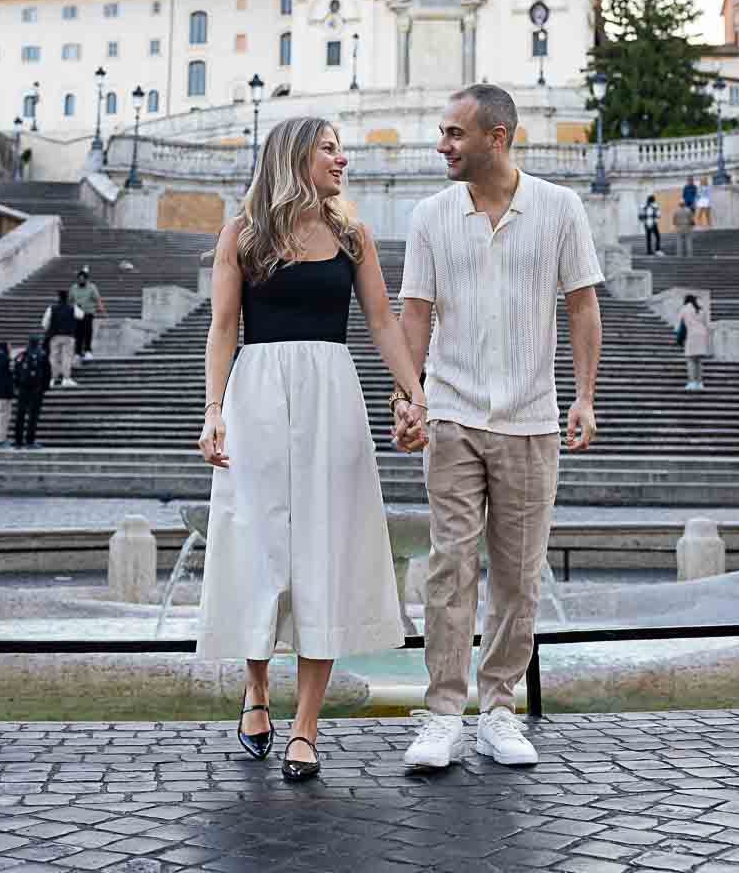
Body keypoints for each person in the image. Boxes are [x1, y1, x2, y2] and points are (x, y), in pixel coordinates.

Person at [196, 117, 427, 783]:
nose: (342, 158)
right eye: (329, 149)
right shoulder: (241, 234)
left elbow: (382, 320)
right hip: (257, 392)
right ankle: (258, 690)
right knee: (258, 546)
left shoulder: (353, 235)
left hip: (332, 394)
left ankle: (306, 725)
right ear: (294, 157)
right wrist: (213, 412)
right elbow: (221, 328)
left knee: (323, 551)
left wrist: (415, 393)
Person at [393, 84, 603, 771]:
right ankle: (443, 715)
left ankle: (500, 707)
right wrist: (408, 394)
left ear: (498, 136)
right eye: (442, 132)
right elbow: (415, 313)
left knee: (518, 574)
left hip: (532, 416)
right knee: (450, 565)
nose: (442, 145)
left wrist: (585, 397)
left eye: (454, 133)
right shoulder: (430, 215)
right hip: (452, 410)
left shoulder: (560, 208)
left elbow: (580, 307)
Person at [13, 335, 52, 448]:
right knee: (33, 415)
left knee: (20, 415)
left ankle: (18, 441)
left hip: (23, 389)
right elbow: (47, 373)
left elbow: (15, 372)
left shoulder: (21, 356)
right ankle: (30, 440)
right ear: (38, 343)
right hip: (37, 389)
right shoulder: (42, 355)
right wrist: (44, 388)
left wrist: (17, 386)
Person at [42, 290, 83, 387]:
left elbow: (44, 324)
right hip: (68, 336)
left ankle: (52, 379)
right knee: (67, 357)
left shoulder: (51, 308)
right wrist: (76, 306)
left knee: (54, 357)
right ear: (67, 298)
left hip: (55, 336)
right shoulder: (72, 308)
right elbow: (81, 315)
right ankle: (66, 378)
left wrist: (50, 329)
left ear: (58, 298)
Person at [69, 266, 106, 362]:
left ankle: (88, 351)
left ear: (86, 279)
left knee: (88, 332)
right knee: (78, 333)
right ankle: (77, 352)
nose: (81, 281)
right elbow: (70, 300)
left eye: (83, 279)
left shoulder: (92, 287)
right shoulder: (73, 288)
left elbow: (97, 299)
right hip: (77, 314)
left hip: (88, 313)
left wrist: (101, 309)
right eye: (79, 279)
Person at [677, 294, 709, 390]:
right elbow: (705, 323)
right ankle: (700, 383)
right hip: (702, 334)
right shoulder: (701, 309)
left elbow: (679, 324)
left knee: (690, 360)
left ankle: (692, 382)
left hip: (691, 335)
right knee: (698, 360)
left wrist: (679, 337)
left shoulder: (685, 309)